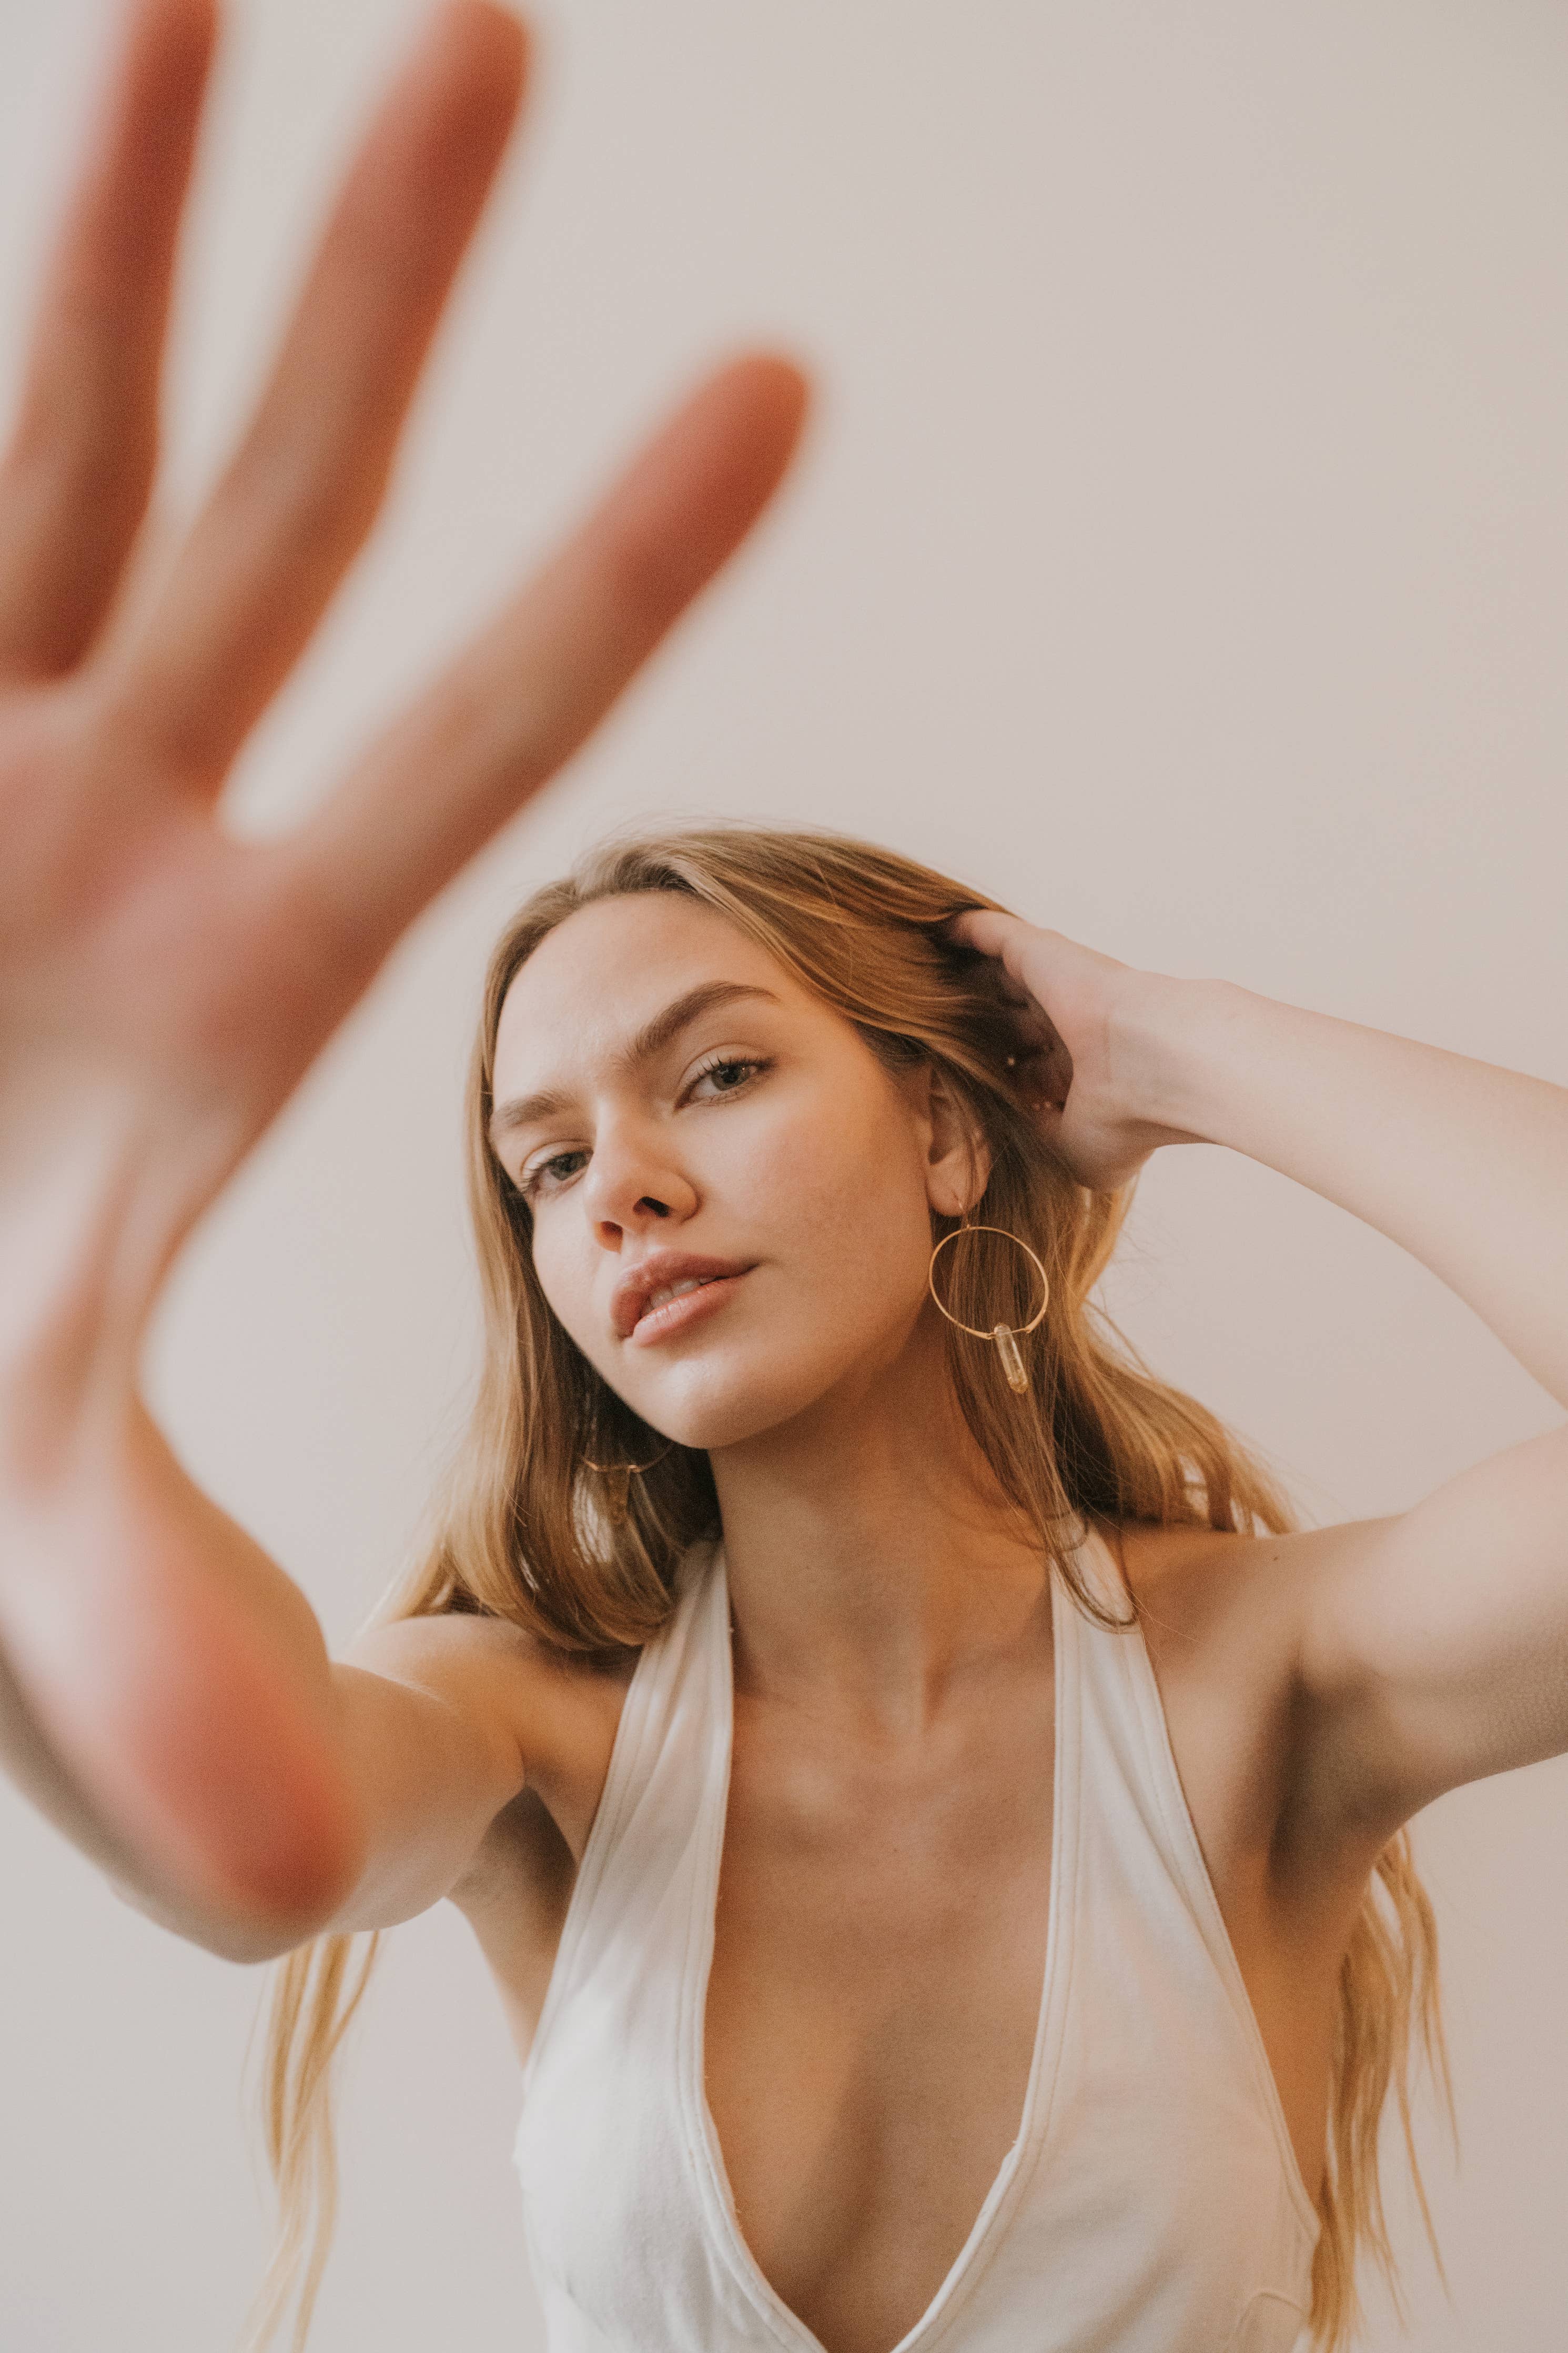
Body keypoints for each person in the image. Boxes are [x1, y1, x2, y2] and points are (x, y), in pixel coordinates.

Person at [2, 6, 1564, 2353]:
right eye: (543, 1160)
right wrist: (38, 1325)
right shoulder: (526, 1731)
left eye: (709, 1072)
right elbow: (263, 1837)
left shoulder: (1266, 1683)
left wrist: (1159, 1041)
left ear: (951, 1129)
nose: (612, 1184)